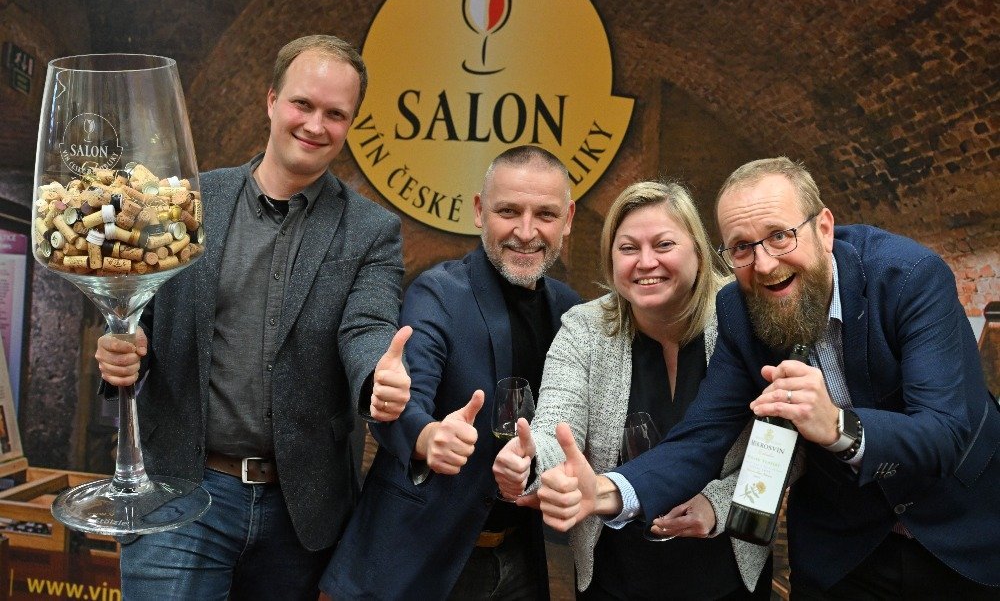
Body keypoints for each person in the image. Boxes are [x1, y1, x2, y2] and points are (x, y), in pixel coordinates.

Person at [535, 156, 1000, 599]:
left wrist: (839, 427)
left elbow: (944, 432)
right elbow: (702, 438)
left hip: (962, 533)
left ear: (823, 228)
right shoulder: (739, 308)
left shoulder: (908, 277)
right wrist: (607, 490)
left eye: (779, 236)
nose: (764, 264)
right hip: (843, 547)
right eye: (742, 247)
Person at [94, 34, 413, 600]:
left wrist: (376, 379)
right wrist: (122, 345)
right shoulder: (186, 201)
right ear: (271, 101)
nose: (315, 125)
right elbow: (138, 311)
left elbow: (367, 328)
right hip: (179, 491)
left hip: (299, 512)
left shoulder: (371, 231)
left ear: (350, 124)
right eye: (302, 104)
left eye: (335, 114)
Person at [320, 146, 581, 600]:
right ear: (479, 211)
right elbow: (402, 403)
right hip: (417, 558)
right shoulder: (438, 293)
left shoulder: (571, 311)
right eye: (508, 211)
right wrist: (428, 438)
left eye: (545, 214)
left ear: (568, 219)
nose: (526, 232)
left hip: (520, 558)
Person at [493, 181, 774, 600]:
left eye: (664, 244)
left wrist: (719, 504)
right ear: (611, 260)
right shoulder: (584, 329)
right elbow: (555, 427)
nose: (646, 262)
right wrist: (531, 460)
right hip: (616, 579)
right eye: (628, 248)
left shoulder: (744, 318)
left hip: (728, 576)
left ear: (699, 251)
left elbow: (785, 446)